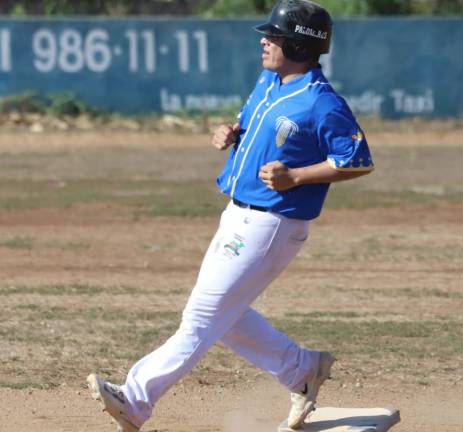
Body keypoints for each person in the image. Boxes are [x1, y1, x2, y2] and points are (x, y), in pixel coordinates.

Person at [86, 1, 374, 431]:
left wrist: (296, 176)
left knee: (203, 315)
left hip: (273, 224)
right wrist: (229, 133)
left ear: (297, 43)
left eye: (273, 36)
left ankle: (135, 399)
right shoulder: (269, 81)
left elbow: (357, 160)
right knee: (225, 314)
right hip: (237, 214)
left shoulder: (320, 102)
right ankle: (302, 370)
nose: (264, 41)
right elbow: (247, 123)